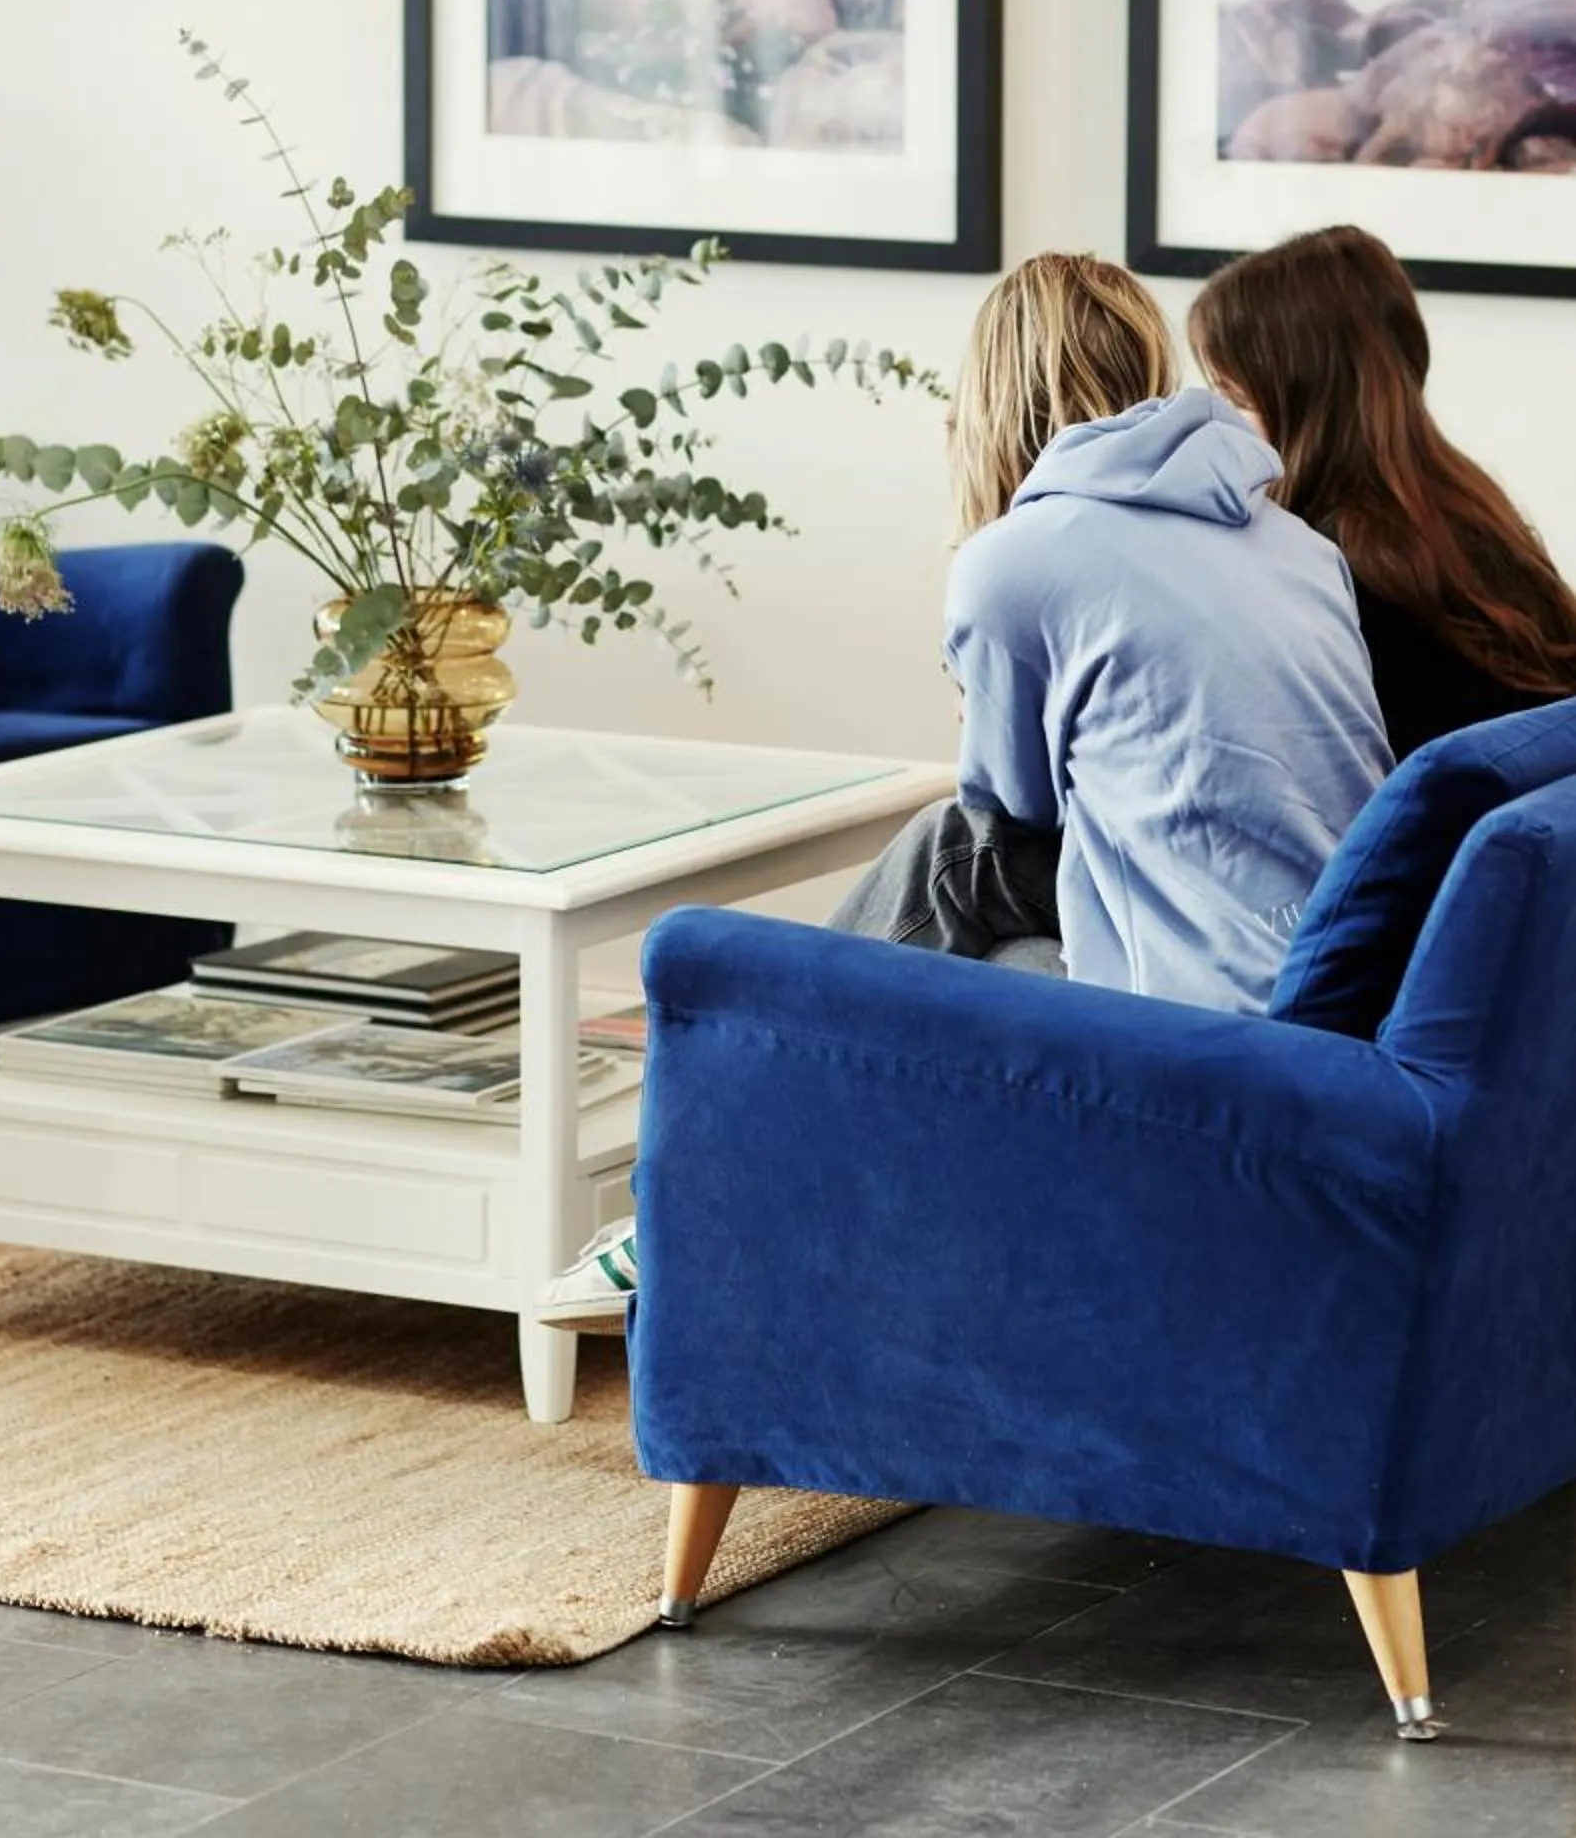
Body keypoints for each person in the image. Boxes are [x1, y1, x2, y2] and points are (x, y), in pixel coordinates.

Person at [540, 252, 1393, 1331]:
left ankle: (690, 1193)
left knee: (952, 860)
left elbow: (1010, 811)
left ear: (990, 399)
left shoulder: (1016, 562)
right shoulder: (1292, 541)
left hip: (1203, 1044)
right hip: (1335, 1007)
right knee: (966, 942)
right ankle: (709, 1189)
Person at [1188, 225, 1576, 759]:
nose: (1222, 425)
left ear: (1304, 400)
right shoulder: (1470, 508)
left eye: (1237, 400)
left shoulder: (1335, 565)